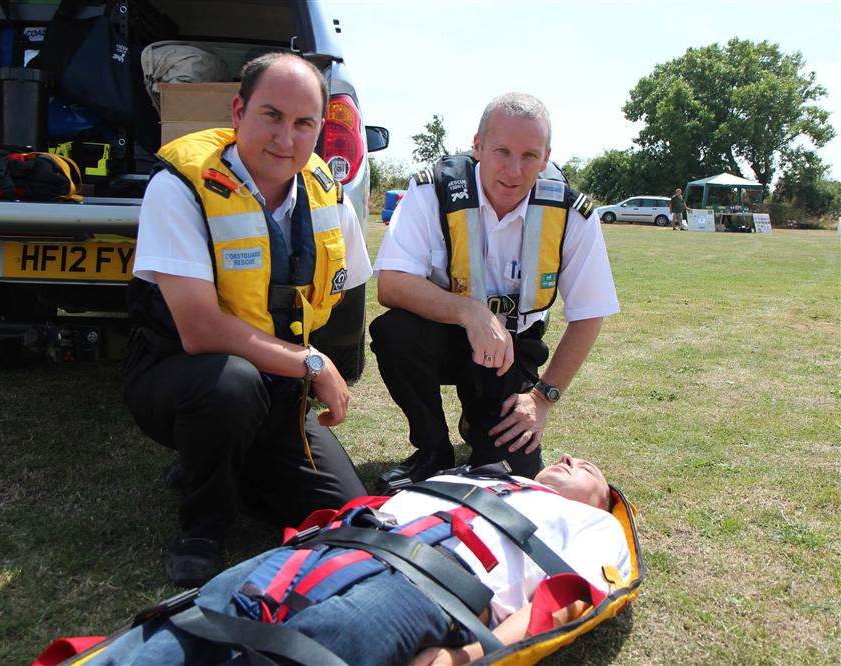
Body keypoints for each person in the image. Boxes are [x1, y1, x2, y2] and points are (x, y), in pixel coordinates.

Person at [123, 53, 372, 586]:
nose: (287, 137)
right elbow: (201, 329)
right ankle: (203, 527)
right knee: (231, 385)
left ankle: (227, 461)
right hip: (182, 374)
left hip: (281, 387)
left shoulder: (327, 192)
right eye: (271, 115)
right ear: (238, 112)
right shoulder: (179, 187)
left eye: (305, 123)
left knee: (347, 516)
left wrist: (322, 373)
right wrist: (310, 362)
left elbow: (347, 297)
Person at [77, 455, 631, 666]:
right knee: (204, 614)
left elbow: (565, 602)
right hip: (330, 550)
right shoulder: (480, 475)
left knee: (317, 647)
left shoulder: (594, 525)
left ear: (600, 497)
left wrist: (465, 657)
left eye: (584, 466)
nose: (567, 457)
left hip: (423, 585)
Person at [370, 93, 619, 484]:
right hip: (442, 335)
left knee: (511, 473)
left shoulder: (572, 212)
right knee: (394, 332)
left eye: (530, 156)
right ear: (477, 146)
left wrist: (542, 398)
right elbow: (391, 283)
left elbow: (589, 314)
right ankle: (432, 449)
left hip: (514, 346)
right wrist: (470, 312)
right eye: (501, 151)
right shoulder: (431, 191)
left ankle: (481, 418)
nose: (514, 171)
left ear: (547, 155)